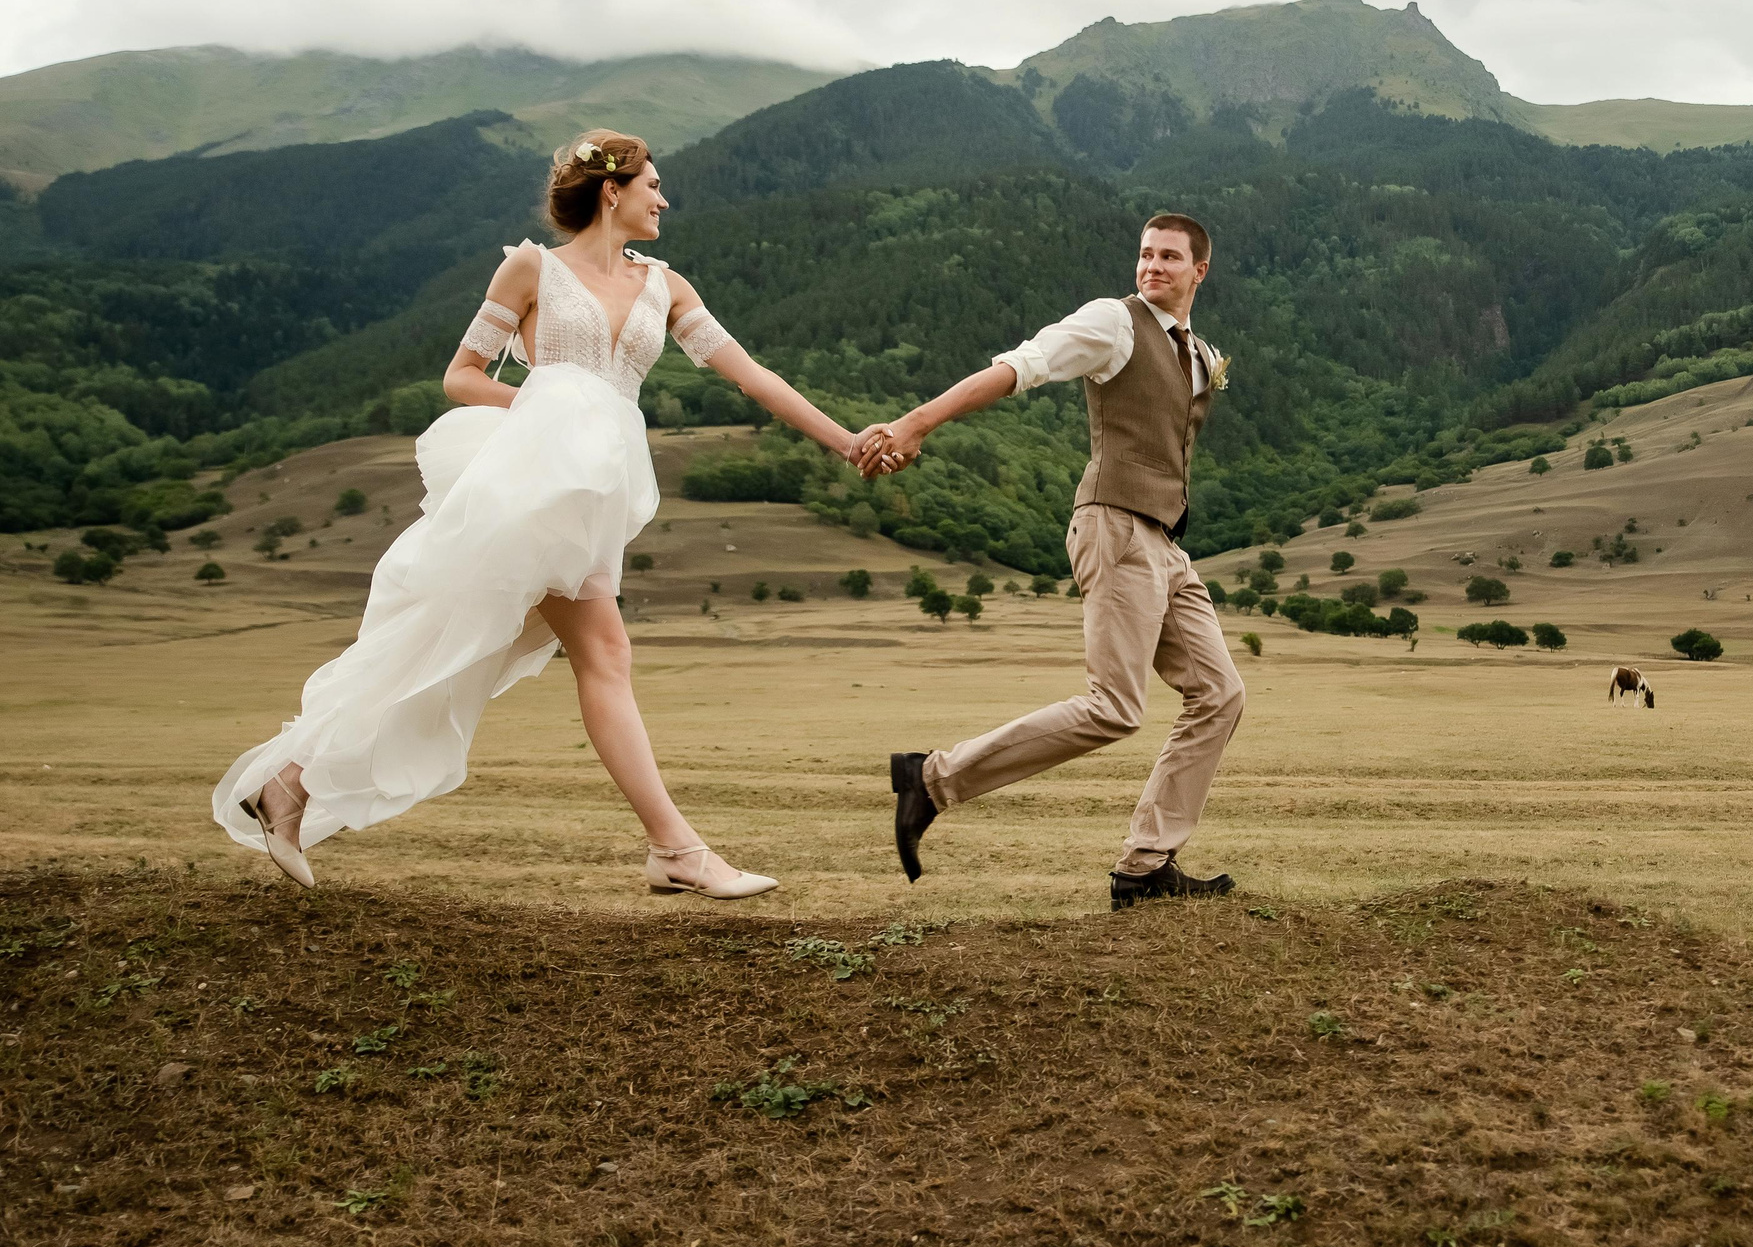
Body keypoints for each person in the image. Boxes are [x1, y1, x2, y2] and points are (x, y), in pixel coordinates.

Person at [213, 130, 866, 900]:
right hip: (532, 479)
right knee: (598, 656)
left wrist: (848, 441)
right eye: (653, 184)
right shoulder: (531, 267)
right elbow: (460, 377)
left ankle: (289, 784)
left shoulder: (667, 285)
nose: (664, 198)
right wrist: (548, 408)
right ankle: (675, 850)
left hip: (596, 488)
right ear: (611, 191)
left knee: (461, 646)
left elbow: (751, 375)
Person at [856, 213, 1245, 910]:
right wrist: (915, 423)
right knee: (1116, 707)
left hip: (1165, 541)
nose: (1151, 266)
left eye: (1168, 257)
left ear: (1200, 270)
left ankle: (1146, 863)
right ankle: (931, 778)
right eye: (1144, 253)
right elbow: (1019, 367)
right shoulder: (1113, 323)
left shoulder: (1201, 353)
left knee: (1221, 693)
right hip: (1115, 528)